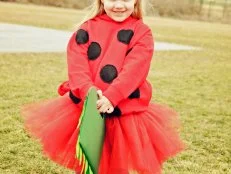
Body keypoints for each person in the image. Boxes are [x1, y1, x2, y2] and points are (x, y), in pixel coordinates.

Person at [22, 0, 185, 173]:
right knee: (89, 160)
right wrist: (89, 94)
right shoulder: (86, 29)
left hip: (122, 111)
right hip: (87, 107)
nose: (119, 5)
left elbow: (136, 68)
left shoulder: (141, 32)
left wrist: (112, 96)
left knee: (116, 162)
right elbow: (77, 66)